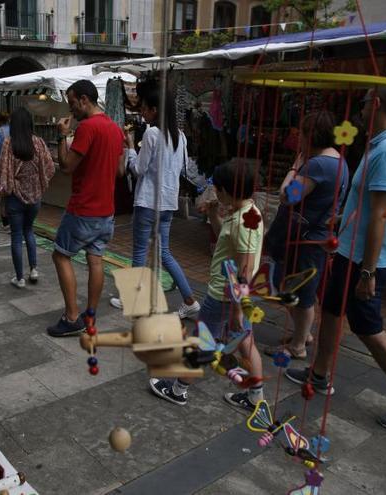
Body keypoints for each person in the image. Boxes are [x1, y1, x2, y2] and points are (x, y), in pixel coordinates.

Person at [285, 81, 386, 433]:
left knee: (368, 327)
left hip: (364, 260)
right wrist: (343, 220)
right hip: (350, 252)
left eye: (364, 100)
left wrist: (367, 271)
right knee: (330, 311)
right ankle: (320, 374)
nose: (359, 106)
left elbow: (383, 216)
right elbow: (371, 208)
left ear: (378, 103)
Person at [150, 160, 266, 410]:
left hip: (224, 297)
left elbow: (243, 270)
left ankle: (178, 389)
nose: (216, 194)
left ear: (227, 190)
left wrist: (235, 309)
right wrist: (214, 214)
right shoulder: (248, 214)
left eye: (218, 189)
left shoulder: (243, 222)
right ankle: (256, 396)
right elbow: (228, 239)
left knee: (202, 342)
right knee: (246, 342)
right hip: (234, 297)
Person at [260, 110, 349, 359]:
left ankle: (298, 344)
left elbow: (288, 196)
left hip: (306, 239)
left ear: (311, 136)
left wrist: (294, 168)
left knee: (301, 292)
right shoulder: (340, 161)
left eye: (302, 134)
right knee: (294, 287)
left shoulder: (317, 164)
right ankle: (302, 333)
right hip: (316, 237)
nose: (298, 140)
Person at [108, 81, 200, 319]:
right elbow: (181, 169)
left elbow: (138, 169)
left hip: (148, 201)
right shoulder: (180, 136)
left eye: (145, 108)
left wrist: (129, 148)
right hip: (168, 203)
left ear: (155, 110)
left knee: (139, 251)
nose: (142, 112)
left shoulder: (151, 133)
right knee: (165, 253)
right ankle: (189, 300)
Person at [48, 79, 125, 337]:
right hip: (107, 211)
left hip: (84, 209)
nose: (72, 110)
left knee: (60, 255)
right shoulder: (115, 129)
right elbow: (120, 171)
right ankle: (89, 316)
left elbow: (67, 167)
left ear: (84, 99)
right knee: (95, 259)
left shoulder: (87, 128)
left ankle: (72, 317)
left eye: (72, 104)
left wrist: (61, 136)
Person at [0, 107, 56, 288]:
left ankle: (20, 278)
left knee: (16, 236)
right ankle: (34, 269)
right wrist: (37, 183)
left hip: (15, 196)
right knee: (29, 230)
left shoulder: (9, 143)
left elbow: (1, 168)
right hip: (35, 197)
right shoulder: (38, 142)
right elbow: (49, 167)